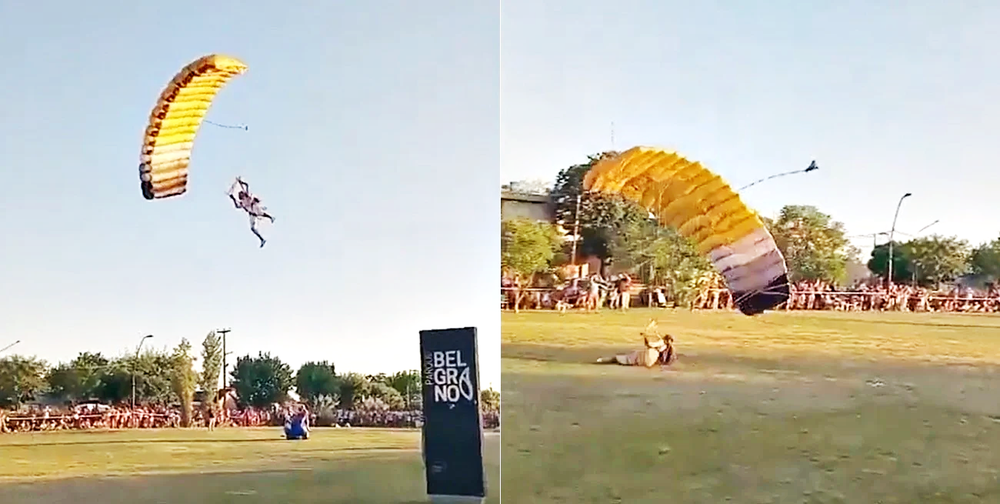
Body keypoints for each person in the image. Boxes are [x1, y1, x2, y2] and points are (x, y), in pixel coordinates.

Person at [595, 320, 676, 368]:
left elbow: (649, 345)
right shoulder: (667, 346)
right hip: (651, 360)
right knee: (625, 360)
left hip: (648, 356)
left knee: (621, 359)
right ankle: (604, 360)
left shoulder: (661, 342)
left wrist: (645, 337)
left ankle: (602, 360)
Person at [228, 177, 275, 247]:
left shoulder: (247, 196)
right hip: (251, 213)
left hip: (254, 207)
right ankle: (262, 239)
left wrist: (241, 182)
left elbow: (247, 186)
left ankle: (271, 217)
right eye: (240, 195)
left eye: (241, 194)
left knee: (260, 212)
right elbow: (237, 206)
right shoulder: (242, 202)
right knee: (252, 228)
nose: (240, 195)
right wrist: (233, 199)